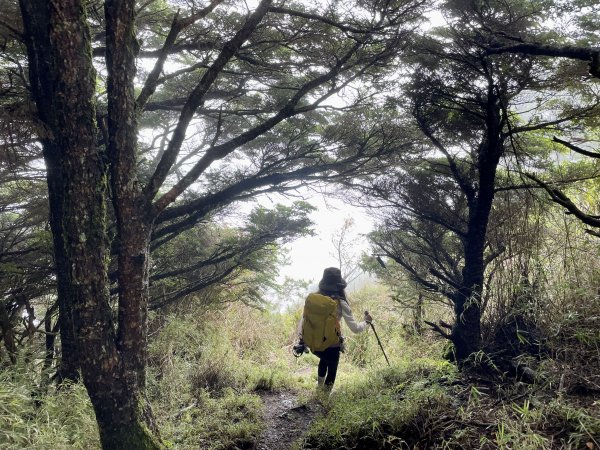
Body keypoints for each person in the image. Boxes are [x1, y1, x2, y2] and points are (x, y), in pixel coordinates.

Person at [297, 267, 372, 390]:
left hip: (314, 345)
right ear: (339, 286)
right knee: (332, 370)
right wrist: (366, 322)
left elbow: (303, 320)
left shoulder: (313, 298)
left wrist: (302, 339)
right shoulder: (341, 302)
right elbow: (355, 328)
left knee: (323, 360)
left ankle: (319, 389)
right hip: (331, 345)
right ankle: (324, 397)